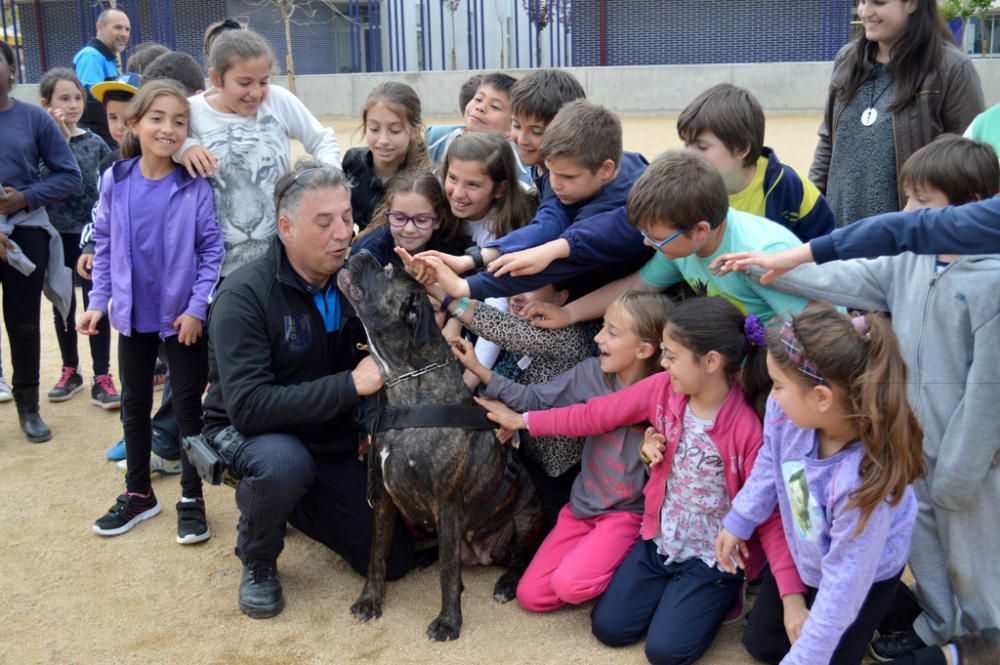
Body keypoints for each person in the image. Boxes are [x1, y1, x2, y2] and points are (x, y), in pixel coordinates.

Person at [711, 135, 1000, 662]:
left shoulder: (992, 282)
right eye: (907, 198)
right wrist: (770, 264)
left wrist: (962, 469)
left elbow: (988, 394)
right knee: (926, 547)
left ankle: (983, 635)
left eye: (923, 202)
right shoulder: (910, 261)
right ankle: (936, 626)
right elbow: (845, 276)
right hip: (907, 441)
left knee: (976, 551)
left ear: (971, 209)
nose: (908, 212)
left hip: (967, 459)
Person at [478, 297, 796, 665]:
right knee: (609, 629)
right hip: (659, 541)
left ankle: (721, 595)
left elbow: (770, 517)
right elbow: (595, 414)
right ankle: (668, 592)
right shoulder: (662, 388)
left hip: (711, 557)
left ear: (711, 362)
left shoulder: (748, 431)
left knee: (664, 653)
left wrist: (791, 601)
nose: (662, 363)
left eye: (672, 356)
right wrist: (527, 421)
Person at [201, 161, 413, 620]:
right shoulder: (243, 296)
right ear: (286, 227)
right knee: (282, 465)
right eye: (324, 222)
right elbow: (249, 409)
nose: (342, 233)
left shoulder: (354, 279)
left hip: (329, 436)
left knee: (395, 560)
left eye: (346, 218)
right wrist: (351, 385)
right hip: (253, 434)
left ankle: (291, 502)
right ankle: (257, 555)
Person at [716, 306, 924, 665]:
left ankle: (926, 636)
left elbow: (844, 586)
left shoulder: (863, 485)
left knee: (830, 651)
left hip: (860, 572)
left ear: (822, 397)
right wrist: (740, 517)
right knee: (764, 644)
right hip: (812, 547)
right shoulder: (789, 414)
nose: (772, 397)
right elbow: (772, 460)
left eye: (779, 386)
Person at [456, 291, 670, 614]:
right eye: (602, 327)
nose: (598, 337)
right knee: (532, 596)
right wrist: (481, 371)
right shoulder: (591, 373)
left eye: (612, 332)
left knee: (569, 584)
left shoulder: (665, 393)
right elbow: (534, 399)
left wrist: (652, 450)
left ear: (644, 349)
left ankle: (625, 562)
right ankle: (596, 559)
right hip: (582, 506)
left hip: (627, 513)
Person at [80, 81, 223, 544]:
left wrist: (197, 309)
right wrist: (97, 303)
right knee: (135, 405)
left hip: (180, 319)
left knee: (186, 410)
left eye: (179, 121)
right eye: (157, 118)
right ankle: (138, 493)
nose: (168, 129)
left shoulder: (194, 185)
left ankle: (191, 498)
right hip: (132, 318)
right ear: (134, 124)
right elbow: (103, 246)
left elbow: (211, 250)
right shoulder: (114, 180)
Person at [410, 250, 597, 529]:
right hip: (528, 455)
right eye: (513, 285)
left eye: (531, 285)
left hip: (563, 469)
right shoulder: (521, 331)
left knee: (553, 532)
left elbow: (504, 329)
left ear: (561, 297)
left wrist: (442, 293)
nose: (517, 294)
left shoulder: (567, 335)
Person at [521, 150, 808, 331]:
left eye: (655, 238)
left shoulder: (762, 255)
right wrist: (568, 313)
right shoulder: (685, 247)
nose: (647, 244)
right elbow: (639, 284)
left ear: (700, 230)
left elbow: (813, 325)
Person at [420, 100, 647, 302]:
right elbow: (550, 221)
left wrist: (466, 286)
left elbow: (573, 251)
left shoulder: (638, 204)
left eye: (567, 177)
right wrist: (473, 259)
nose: (555, 184)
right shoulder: (575, 169)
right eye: (550, 171)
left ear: (606, 169)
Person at [179, 28, 341, 277]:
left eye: (263, 81)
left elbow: (323, 139)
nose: (255, 93)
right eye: (244, 83)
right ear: (216, 78)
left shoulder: (277, 101)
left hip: (281, 260)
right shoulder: (191, 112)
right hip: (215, 269)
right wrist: (183, 147)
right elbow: (154, 139)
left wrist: (326, 180)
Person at [809, 0, 983, 226]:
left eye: (878, 3)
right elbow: (828, 143)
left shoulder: (951, 68)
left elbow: (969, 163)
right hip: (841, 235)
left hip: (909, 239)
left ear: (911, 4)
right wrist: (811, 208)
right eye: (861, 2)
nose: (865, 12)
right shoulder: (847, 59)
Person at [0, 41, 82, 441]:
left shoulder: (33, 119)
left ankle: (28, 408)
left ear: (13, 71)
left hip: (24, 234)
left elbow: (69, 175)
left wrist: (25, 197)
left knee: (24, 323)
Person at [37, 68, 117, 408]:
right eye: (63, 99)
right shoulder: (41, 144)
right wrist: (57, 137)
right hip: (55, 236)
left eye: (77, 99)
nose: (72, 106)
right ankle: (71, 370)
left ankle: (103, 375)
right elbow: (40, 181)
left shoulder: (95, 143)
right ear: (46, 104)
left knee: (95, 305)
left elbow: (100, 190)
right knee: (62, 305)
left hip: (90, 238)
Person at [677, 83, 834, 242]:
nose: (688, 154)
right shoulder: (681, 190)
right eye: (686, 144)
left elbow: (826, 249)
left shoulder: (790, 188)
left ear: (741, 149)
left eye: (702, 146)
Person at [341, 82, 430, 230]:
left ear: (415, 131)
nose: (383, 140)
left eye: (394, 131)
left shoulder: (420, 180)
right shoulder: (353, 163)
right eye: (374, 129)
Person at [351, 170, 467, 267]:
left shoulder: (451, 251)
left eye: (421, 220)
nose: (409, 229)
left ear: (438, 220)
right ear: (388, 213)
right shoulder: (368, 254)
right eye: (399, 218)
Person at [426, 72, 517, 166]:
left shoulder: (514, 161)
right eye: (478, 99)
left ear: (513, 124)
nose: (480, 107)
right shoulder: (438, 137)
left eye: (495, 107)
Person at [74, 8, 132, 145]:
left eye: (127, 29)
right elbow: (91, 101)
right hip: (98, 142)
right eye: (118, 28)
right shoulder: (91, 56)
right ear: (100, 28)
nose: (124, 34)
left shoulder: (107, 58)